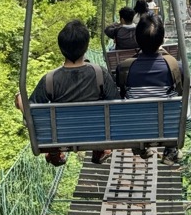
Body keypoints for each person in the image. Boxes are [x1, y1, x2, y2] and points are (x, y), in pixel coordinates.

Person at [16, 20, 117, 166]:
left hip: (63, 136)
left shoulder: (50, 79)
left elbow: (31, 111)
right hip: (97, 134)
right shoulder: (100, 73)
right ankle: (100, 148)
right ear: (86, 46)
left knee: (26, 104)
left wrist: (19, 99)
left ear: (61, 48)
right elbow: (115, 102)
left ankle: (55, 151)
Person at [116, 13, 183, 163]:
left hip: (137, 127)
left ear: (137, 39)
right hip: (167, 127)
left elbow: (122, 93)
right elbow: (182, 90)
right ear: (162, 38)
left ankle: (139, 145)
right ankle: (171, 148)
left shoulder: (125, 68)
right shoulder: (174, 66)